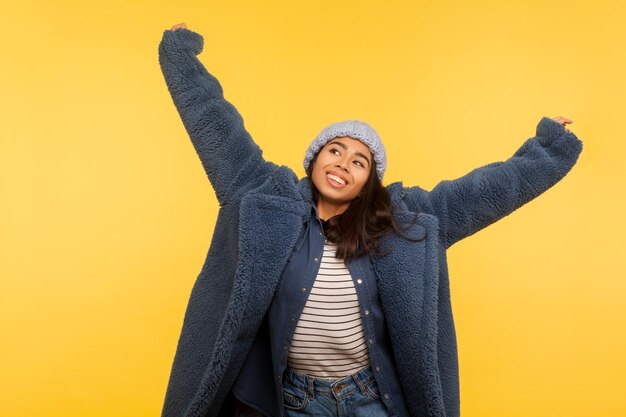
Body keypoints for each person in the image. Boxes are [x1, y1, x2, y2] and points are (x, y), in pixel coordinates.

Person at [157, 23, 583, 417]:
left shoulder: (407, 221)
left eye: (360, 161)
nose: (344, 163)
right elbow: (215, 125)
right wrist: (181, 55)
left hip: (370, 399)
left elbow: (486, 192)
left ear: (368, 183)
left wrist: (549, 149)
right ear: (316, 158)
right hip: (293, 399)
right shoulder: (263, 198)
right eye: (335, 150)